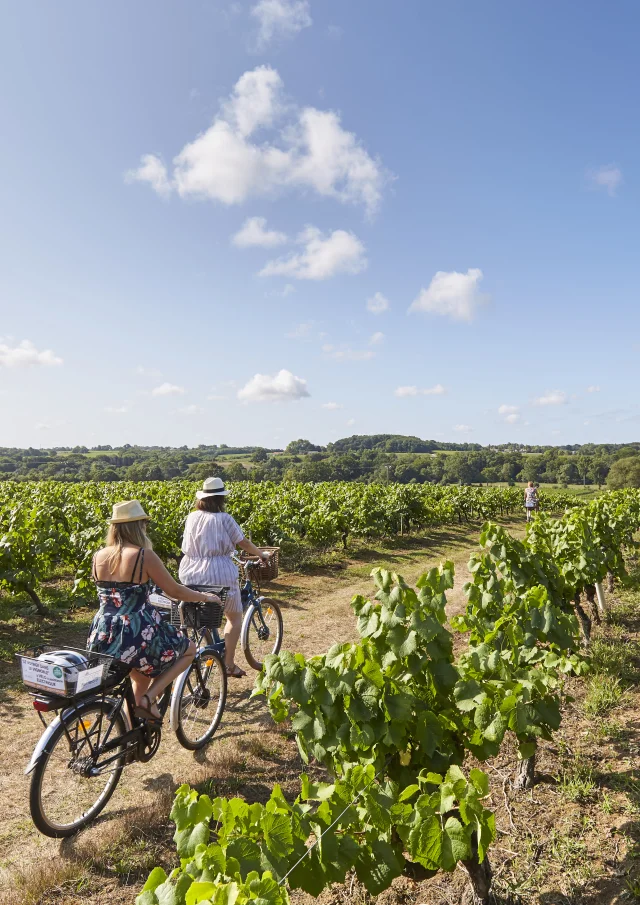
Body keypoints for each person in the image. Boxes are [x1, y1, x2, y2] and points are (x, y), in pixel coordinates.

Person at [87, 500, 221, 723]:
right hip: (135, 631)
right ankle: (149, 699)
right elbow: (174, 590)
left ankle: (130, 730)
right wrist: (205, 597)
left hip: (104, 632)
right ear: (137, 526)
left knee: (139, 679)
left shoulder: (98, 556)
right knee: (189, 650)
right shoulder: (143, 556)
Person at [179, 477, 270, 678]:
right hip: (218, 571)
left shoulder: (191, 517)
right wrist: (261, 554)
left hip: (189, 570)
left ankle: (209, 645)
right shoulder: (224, 519)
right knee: (234, 617)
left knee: (202, 613)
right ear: (220, 499)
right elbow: (243, 542)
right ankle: (228, 664)